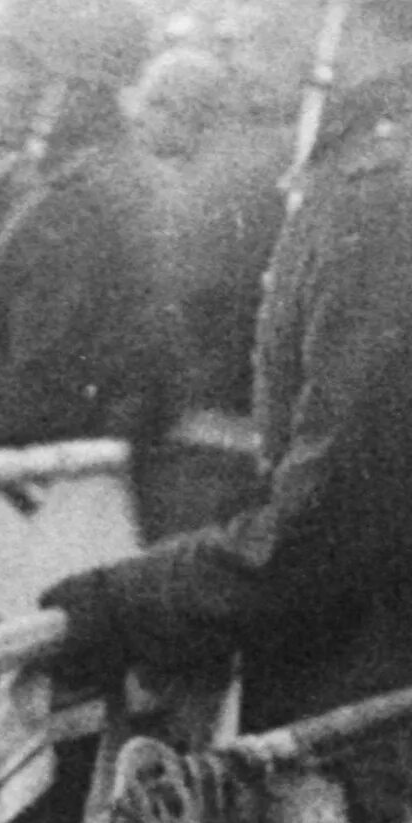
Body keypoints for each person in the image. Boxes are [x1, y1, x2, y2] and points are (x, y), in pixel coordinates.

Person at [38, 0, 412, 739]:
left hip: (404, 652)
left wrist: (119, 603)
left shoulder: (389, 197)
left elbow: (333, 529)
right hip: (402, 631)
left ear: (343, 6)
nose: (220, 25)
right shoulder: (370, 170)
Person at [0, 0, 176, 457]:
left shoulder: (73, 209)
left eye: (10, 60)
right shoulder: (128, 175)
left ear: (67, 83)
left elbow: (38, 401)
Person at [131, 40, 286, 535]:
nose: (140, 117)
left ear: (187, 113)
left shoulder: (203, 190)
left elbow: (179, 318)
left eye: (157, 103)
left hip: (211, 444)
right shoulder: (260, 161)